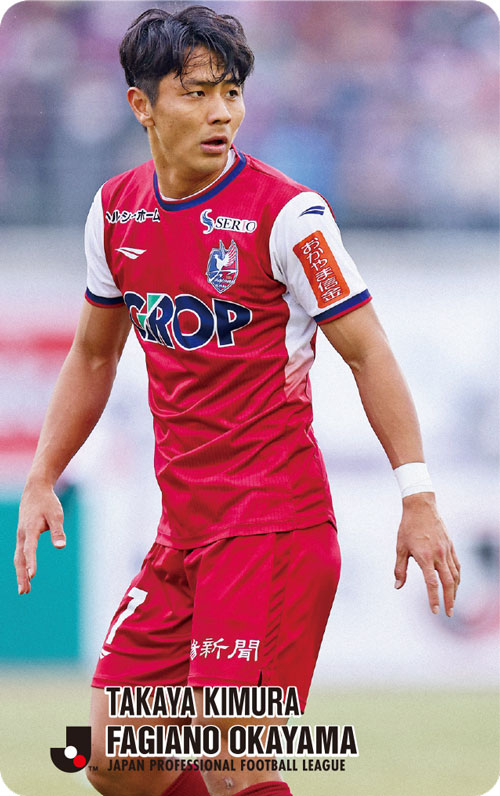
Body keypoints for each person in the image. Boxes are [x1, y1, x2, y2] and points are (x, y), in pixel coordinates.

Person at [14, 7, 460, 796]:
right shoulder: (115, 211)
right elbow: (94, 353)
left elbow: (369, 352)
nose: (222, 112)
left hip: (272, 529)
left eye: (232, 91)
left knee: (232, 758)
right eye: (197, 92)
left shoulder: (290, 216)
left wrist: (417, 497)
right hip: (183, 534)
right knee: (117, 762)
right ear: (142, 105)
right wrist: (44, 473)